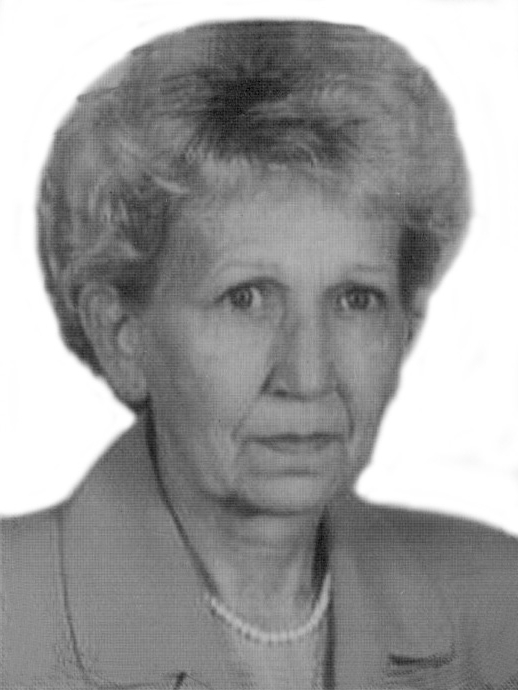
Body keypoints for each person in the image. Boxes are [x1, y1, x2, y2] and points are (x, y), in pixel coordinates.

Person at [1, 19, 517, 690]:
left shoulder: (497, 598)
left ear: (407, 326)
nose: (309, 377)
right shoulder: (13, 617)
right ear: (121, 332)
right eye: (245, 298)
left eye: (356, 299)